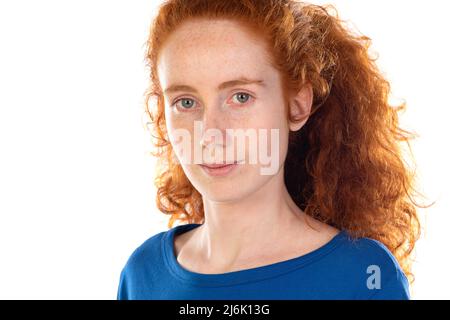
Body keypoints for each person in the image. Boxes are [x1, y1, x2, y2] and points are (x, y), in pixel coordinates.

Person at [117, 0, 427, 300]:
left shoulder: (362, 276)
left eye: (240, 97)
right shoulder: (143, 274)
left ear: (297, 105)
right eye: (186, 102)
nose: (209, 134)